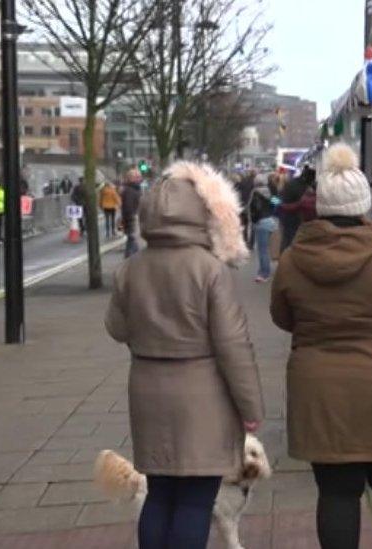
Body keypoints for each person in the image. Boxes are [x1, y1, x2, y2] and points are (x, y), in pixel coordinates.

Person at [270, 144, 372, 549]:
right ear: (365, 207)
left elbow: (281, 319)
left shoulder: (291, 261)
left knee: (337, 492)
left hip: (320, 390)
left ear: (320, 206)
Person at [105, 160, 264, 549]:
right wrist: (251, 407)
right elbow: (233, 345)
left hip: (147, 388)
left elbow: (117, 328)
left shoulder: (131, 268)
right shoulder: (209, 269)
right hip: (202, 396)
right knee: (195, 500)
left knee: (160, 494)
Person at [278, 166, 317, 253]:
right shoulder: (305, 187)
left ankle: (284, 260)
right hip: (295, 218)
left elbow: (278, 200)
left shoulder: (289, 184)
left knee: (287, 240)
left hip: (286, 216)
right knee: (291, 241)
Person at [248, 174, 278, 283]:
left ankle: (264, 273)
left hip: (261, 222)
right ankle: (265, 271)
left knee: (262, 250)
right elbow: (277, 203)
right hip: (270, 221)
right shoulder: (270, 191)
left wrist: (253, 221)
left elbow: (253, 209)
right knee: (266, 249)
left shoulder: (255, 193)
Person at [120, 169, 144, 258]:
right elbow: (128, 208)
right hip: (133, 221)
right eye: (137, 177)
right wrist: (131, 221)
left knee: (133, 243)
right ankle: (128, 266)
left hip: (134, 220)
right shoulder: (130, 191)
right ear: (131, 178)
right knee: (133, 243)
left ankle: (130, 264)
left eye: (140, 176)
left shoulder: (134, 189)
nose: (140, 179)